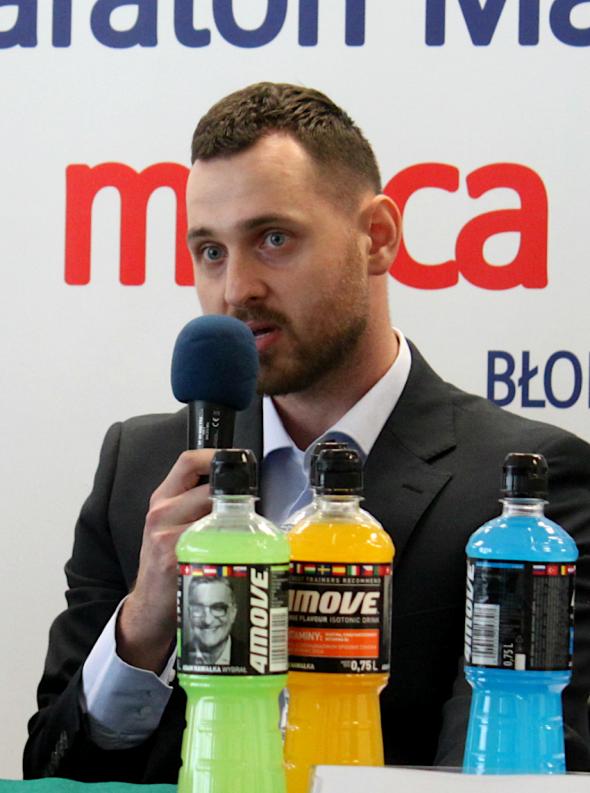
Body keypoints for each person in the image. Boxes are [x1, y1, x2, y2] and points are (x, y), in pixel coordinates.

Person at [24, 82, 590, 782]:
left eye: (273, 239)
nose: (237, 289)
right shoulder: (139, 468)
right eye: (210, 251)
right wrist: (141, 628)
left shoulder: (523, 490)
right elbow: (51, 768)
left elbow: (508, 769)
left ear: (377, 236)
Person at [184, 577, 239, 666]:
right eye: (198, 608)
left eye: (218, 608)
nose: (207, 621)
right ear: (189, 613)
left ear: (233, 613)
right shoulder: (179, 658)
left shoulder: (252, 658)